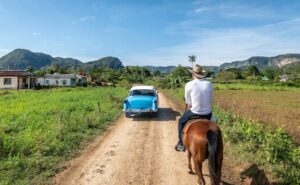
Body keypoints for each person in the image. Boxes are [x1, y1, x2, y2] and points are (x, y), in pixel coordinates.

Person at [175, 64, 213, 152]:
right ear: (201, 74)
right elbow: (211, 100)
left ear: (193, 74)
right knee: (214, 121)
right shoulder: (209, 84)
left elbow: (188, 102)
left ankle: (181, 143)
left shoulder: (189, 84)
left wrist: (191, 104)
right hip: (208, 113)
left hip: (194, 112)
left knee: (181, 121)